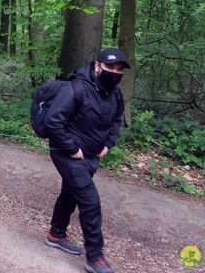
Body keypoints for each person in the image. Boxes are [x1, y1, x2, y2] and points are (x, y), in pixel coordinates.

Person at [43, 48, 128, 273]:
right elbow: (53, 120)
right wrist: (72, 150)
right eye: (110, 67)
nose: (115, 72)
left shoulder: (114, 93)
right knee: (90, 203)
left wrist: (109, 144)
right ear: (97, 65)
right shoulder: (76, 87)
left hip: (91, 156)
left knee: (70, 194)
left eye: (120, 69)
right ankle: (95, 258)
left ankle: (55, 234)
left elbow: (117, 119)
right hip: (68, 155)